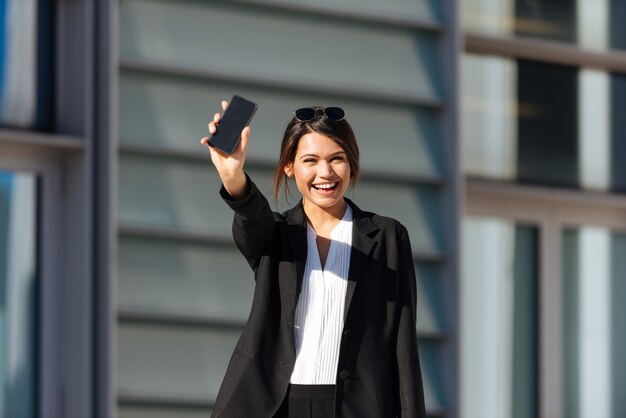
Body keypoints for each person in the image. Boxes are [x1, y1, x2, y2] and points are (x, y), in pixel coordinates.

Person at [201, 101, 425, 418]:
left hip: (357, 408)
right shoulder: (275, 234)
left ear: (352, 164)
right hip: (277, 406)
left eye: (338, 159)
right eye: (311, 160)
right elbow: (251, 216)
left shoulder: (388, 237)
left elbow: (403, 347)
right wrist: (232, 175)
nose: (326, 173)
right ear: (290, 167)